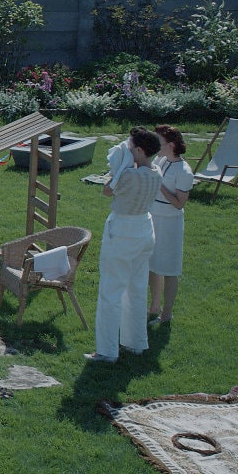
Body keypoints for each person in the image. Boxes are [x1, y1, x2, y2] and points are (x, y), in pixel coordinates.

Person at [90, 128, 163, 363]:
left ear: (140, 150)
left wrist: (122, 165)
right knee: (137, 288)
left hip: (123, 232)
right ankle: (136, 343)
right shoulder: (157, 171)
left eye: (131, 147)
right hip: (144, 230)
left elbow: (107, 189)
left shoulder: (129, 176)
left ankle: (107, 350)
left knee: (110, 292)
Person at [147, 125, 195, 326]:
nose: (157, 146)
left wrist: (160, 185)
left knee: (169, 268)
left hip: (170, 222)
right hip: (153, 216)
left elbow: (179, 204)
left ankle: (167, 313)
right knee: (152, 265)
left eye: (160, 143)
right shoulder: (161, 160)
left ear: (172, 145)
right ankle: (154, 307)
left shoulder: (184, 171)